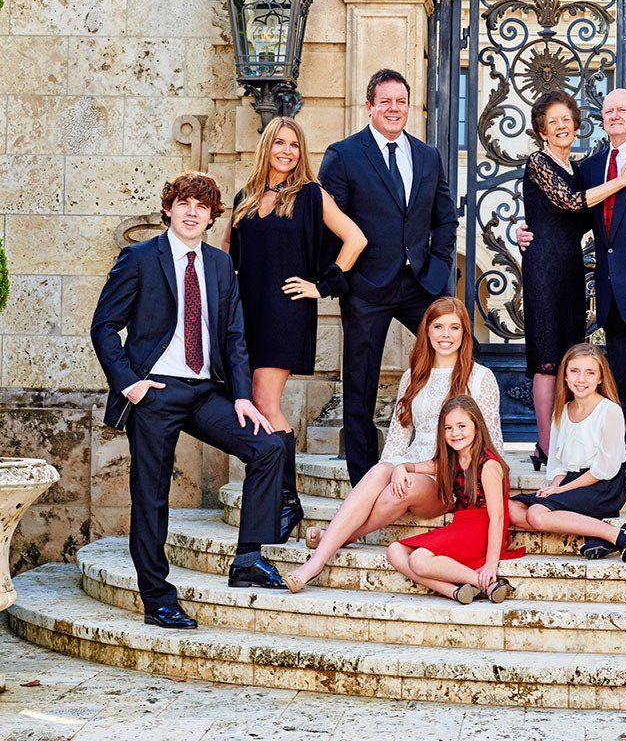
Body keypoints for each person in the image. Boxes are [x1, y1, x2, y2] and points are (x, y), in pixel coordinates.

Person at [90, 172, 287, 629]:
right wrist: (130, 384)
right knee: (152, 496)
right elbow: (104, 326)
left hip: (205, 391)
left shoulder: (220, 265)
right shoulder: (139, 258)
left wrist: (241, 397)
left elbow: (235, 337)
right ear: (169, 209)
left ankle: (248, 559)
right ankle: (157, 598)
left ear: (213, 216)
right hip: (154, 391)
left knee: (269, 447)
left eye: (202, 205)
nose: (192, 211)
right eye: (184, 203)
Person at [516, 88, 626, 475]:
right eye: (608, 110)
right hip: (610, 295)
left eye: (622, 109)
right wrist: (525, 228)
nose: (614, 116)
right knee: (622, 380)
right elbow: (565, 212)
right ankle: (624, 450)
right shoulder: (591, 168)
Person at [284, 297, 503, 592]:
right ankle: (316, 563)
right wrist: (393, 468)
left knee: (405, 485)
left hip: (450, 479)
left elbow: (494, 444)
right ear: (426, 331)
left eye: (454, 328)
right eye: (438, 327)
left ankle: (333, 539)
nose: (445, 335)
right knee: (378, 473)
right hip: (412, 465)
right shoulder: (414, 377)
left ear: (465, 333)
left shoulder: (480, 378)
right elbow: (398, 439)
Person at [223, 116, 367, 543]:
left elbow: (355, 239)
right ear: (266, 146)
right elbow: (229, 254)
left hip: (284, 311)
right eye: (280, 143)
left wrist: (322, 287)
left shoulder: (310, 195)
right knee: (252, 403)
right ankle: (276, 495)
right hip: (245, 312)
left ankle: (287, 502)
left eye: (295, 145)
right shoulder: (245, 197)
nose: (287, 151)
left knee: (267, 404)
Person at [319, 68, 459, 485]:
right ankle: (365, 481)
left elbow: (445, 219)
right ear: (370, 106)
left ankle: (448, 462)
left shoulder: (428, 155)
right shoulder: (343, 154)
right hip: (366, 287)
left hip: (421, 284)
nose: (394, 109)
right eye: (386, 102)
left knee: (455, 366)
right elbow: (330, 222)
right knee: (359, 388)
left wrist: (437, 265)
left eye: (401, 101)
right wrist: (342, 277)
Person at [509, 343, 626, 562]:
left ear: (600, 378)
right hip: (571, 479)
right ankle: (596, 535)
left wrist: (562, 491)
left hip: (603, 485)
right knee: (511, 507)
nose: (581, 379)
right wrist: (554, 487)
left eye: (590, 373)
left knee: (536, 515)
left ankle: (623, 535)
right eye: (574, 371)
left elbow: (603, 470)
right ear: (565, 376)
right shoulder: (563, 410)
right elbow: (558, 462)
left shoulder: (609, 411)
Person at [386, 395, 524, 604]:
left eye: (461, 426)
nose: (455, 433)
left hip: (482, 529)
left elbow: (497, 518)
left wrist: (490, 564)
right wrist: (399, 468)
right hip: (461, 526)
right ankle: (455, 592)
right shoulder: (451, 459)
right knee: (395, 551)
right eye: (448, 428)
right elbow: (414, 466)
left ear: (476, 427)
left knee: (418, 560)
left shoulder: (488, 466)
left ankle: (485, 582)